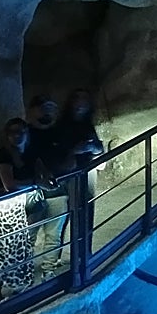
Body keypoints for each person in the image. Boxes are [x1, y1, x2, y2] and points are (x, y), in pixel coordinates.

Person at [0, 118, 47, 309]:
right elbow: (10, 185)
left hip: (16, 208)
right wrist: (36, 183)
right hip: (0, 210)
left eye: (20, 131)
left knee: (15, 251)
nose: (16, 135)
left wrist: (45, 179)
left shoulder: (29, 152)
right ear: (7, 135)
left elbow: (42, 171)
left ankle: (11, 291)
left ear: (27, 132)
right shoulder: (4, 155)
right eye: (12, 132)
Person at [25, 94, 70, 274]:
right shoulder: (26, 133)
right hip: (34, 191)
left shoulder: (59, 132)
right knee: (30, 235)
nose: (46, 112)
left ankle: (48, 270)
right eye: (43, 108)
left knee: (53, 234)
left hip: (57, 189)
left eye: (50, 109)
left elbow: (68, 158)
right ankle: (25, 272)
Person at [58, 88, 105, 251]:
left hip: (88, 170)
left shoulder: (87, 124)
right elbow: (57, 151)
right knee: (74, 213)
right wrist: (75, 150)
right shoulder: (62, 126)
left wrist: (94, 147)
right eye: (77, 101)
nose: (80, 105)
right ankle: (75, 254)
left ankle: (85, 251)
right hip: (72, 173)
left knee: (87, 211)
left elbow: (99, 148)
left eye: (84, 101)